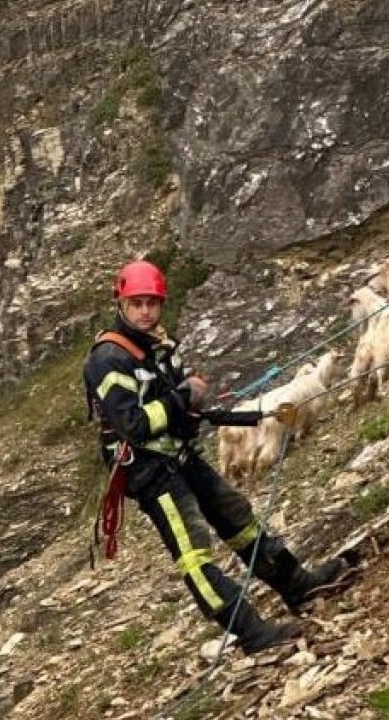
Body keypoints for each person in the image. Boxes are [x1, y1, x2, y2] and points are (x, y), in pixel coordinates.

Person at [82, 259, 347, 654]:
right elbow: (133, 424)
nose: (145, 311)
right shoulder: (109, 359)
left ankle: (299, 586)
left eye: (152, 303)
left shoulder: (157, 346)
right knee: (193, 553)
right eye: (137, 303)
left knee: (237, 517)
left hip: (178, 454)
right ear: (121, 303)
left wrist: (199, 403)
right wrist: (183, 396)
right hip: (149, 471)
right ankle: (249, 631)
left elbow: (180, 406)